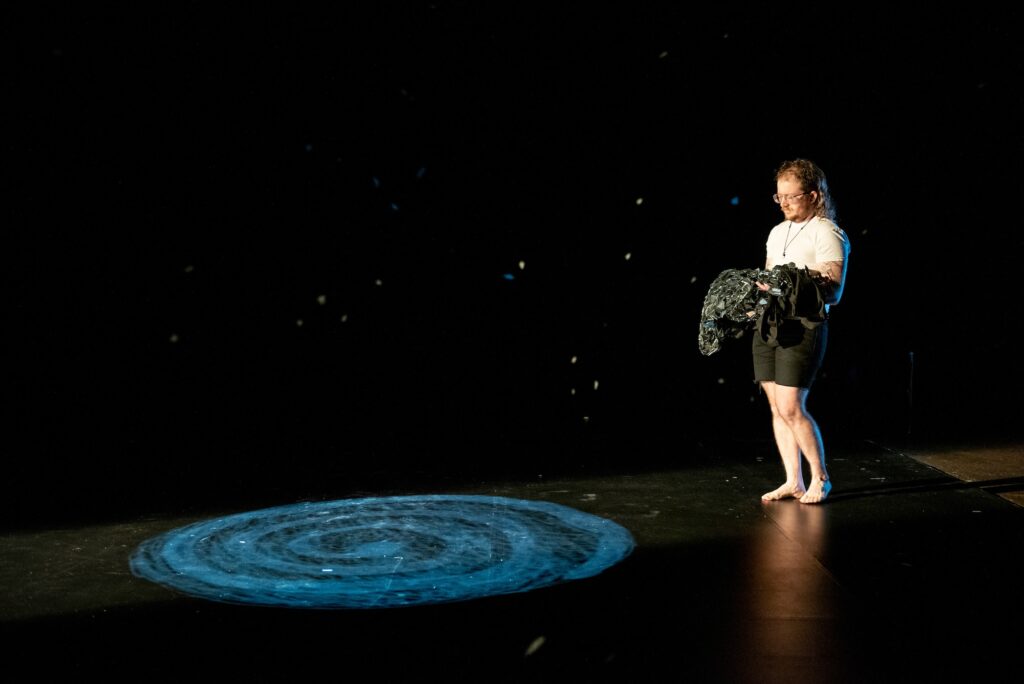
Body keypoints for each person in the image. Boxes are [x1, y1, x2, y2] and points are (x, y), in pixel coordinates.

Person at [755, 158, 850, 504]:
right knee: (777, 408)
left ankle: (820, 478)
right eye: (778, 197)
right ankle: (792, 481)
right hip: (770, 325)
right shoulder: (777, 232)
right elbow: (768, 279)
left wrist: (795, 285)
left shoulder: (826, 231)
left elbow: (835, 290)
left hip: (804, 326)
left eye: (791, 197)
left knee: (792, 405)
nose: (784, 203)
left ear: (812, 195)